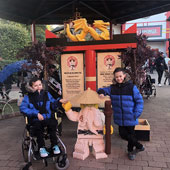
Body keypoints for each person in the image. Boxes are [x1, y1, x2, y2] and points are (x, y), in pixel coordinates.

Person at [97, 67, 144, 160]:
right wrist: (101, 92)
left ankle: (131, 151)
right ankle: (139, 146)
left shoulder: (132, 87)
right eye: (117, 77)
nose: (119, 78)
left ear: (124, 76)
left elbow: (139, 101)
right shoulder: (113, 88)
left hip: (131, 116)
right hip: (120, 118)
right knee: (123, 134)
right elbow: (102, 89)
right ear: (114, 78)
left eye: (120, 76)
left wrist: (136, 114)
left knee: (131, 135)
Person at [20, 77, 61, 158]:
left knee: (53, 124)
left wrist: (59, 102)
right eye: (35, 86)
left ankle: (54, 145)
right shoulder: (28, 97)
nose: (39, 87)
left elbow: (53, 105)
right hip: (35, 119)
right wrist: (36, 114)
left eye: (40, 85)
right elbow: (23, 108)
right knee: (37, 127)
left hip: (47, 118)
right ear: (31, 87)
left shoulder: (47, 94)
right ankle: (41, 148)